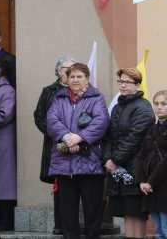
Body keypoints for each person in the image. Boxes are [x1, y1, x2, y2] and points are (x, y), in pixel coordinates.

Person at [47, 63, 109, 239]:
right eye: (72, 76)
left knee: (93, 211)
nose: (75, 80)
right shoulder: (59, 98)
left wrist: (79, 138)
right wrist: (67, 137)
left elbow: (101, 122)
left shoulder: (96, 98)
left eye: (79, 76)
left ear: (87, 79)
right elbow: (52, 120)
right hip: (64, 165)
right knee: (67, 212)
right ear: (67, 79)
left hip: (90, 163)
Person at [103, 68, 155, 239]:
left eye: (127, 82)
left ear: (137, 85)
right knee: (126, 213)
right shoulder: (118, 106)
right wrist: (108, 158)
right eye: (120, 81)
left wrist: (115, 159)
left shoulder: (143, 107)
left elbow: (134, 138)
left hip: (135, 168)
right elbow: (110, 135)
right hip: (118, 169)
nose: (123, 85)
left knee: (136, 213)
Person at [33, 55, 76, 234]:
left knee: (76, 185)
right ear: (58, 71)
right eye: (66, 69)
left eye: (73, 69)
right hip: (55, 144)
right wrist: (57, 135)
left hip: (77, 143)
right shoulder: (49, 91)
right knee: (60, 186)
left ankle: (74, 225)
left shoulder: (82, 89)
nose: (70, 73)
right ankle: (60, 224)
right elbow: (39, 116)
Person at [135, 90, 167, 239]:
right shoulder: (152, 128)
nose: (159, 107)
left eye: (164, 103)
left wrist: (150, 182)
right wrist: (142, 181)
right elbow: (141, 156)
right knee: (159, 231)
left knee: (166, 230)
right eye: (156, 103)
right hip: (150, 188)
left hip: (163, 185)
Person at [0, 59, 17, 231]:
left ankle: (5, 220)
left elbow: (4, 115)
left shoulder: (7, 90)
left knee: (5, 182)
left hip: (3, 141)